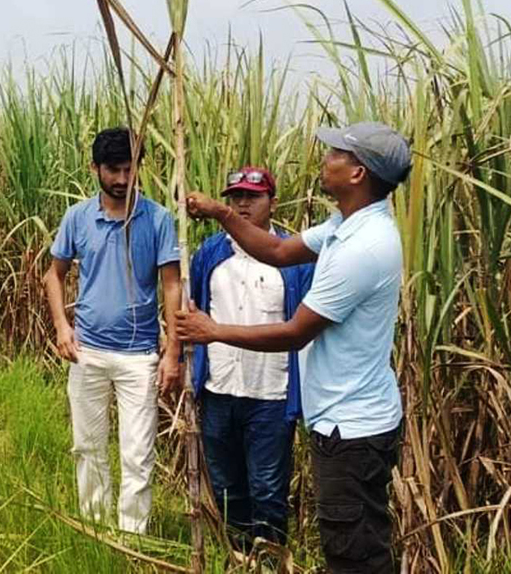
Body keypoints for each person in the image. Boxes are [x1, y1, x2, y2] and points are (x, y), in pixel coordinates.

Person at [176, 122, 411, 573]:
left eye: (336, 153)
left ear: (358, 173)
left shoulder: (362, 248)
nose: (325, 159)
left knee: (355, 552)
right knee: (349, 542)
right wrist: (223, 214)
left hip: (353, 427)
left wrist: (212, 331)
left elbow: (295, 332)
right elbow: (280, 252)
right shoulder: (345, 226)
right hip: (341, 422)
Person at [42, 127, 181, 534]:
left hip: (139, 356)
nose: (122, 179)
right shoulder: (79, 218)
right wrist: (62, 327)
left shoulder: (156, 219)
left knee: (137, 454)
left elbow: (171, 283)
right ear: (95, 169)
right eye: (113, 170)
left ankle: (131, 538)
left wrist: (172, 351)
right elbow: (54, 275)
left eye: (129, 169)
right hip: (87, 351)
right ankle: (96, 530)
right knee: (88, 447)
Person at [188, 166, 314, 548]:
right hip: (219, 390)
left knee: (267, 489)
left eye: (252, 197)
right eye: (235, 197)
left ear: (272, 203)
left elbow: (304, 328)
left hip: (271, 395)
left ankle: (272, 558)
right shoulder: (210, 254)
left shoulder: (295, 260)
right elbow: (192, 313)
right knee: (227, 488)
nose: (242, 204)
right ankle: (238, 557)